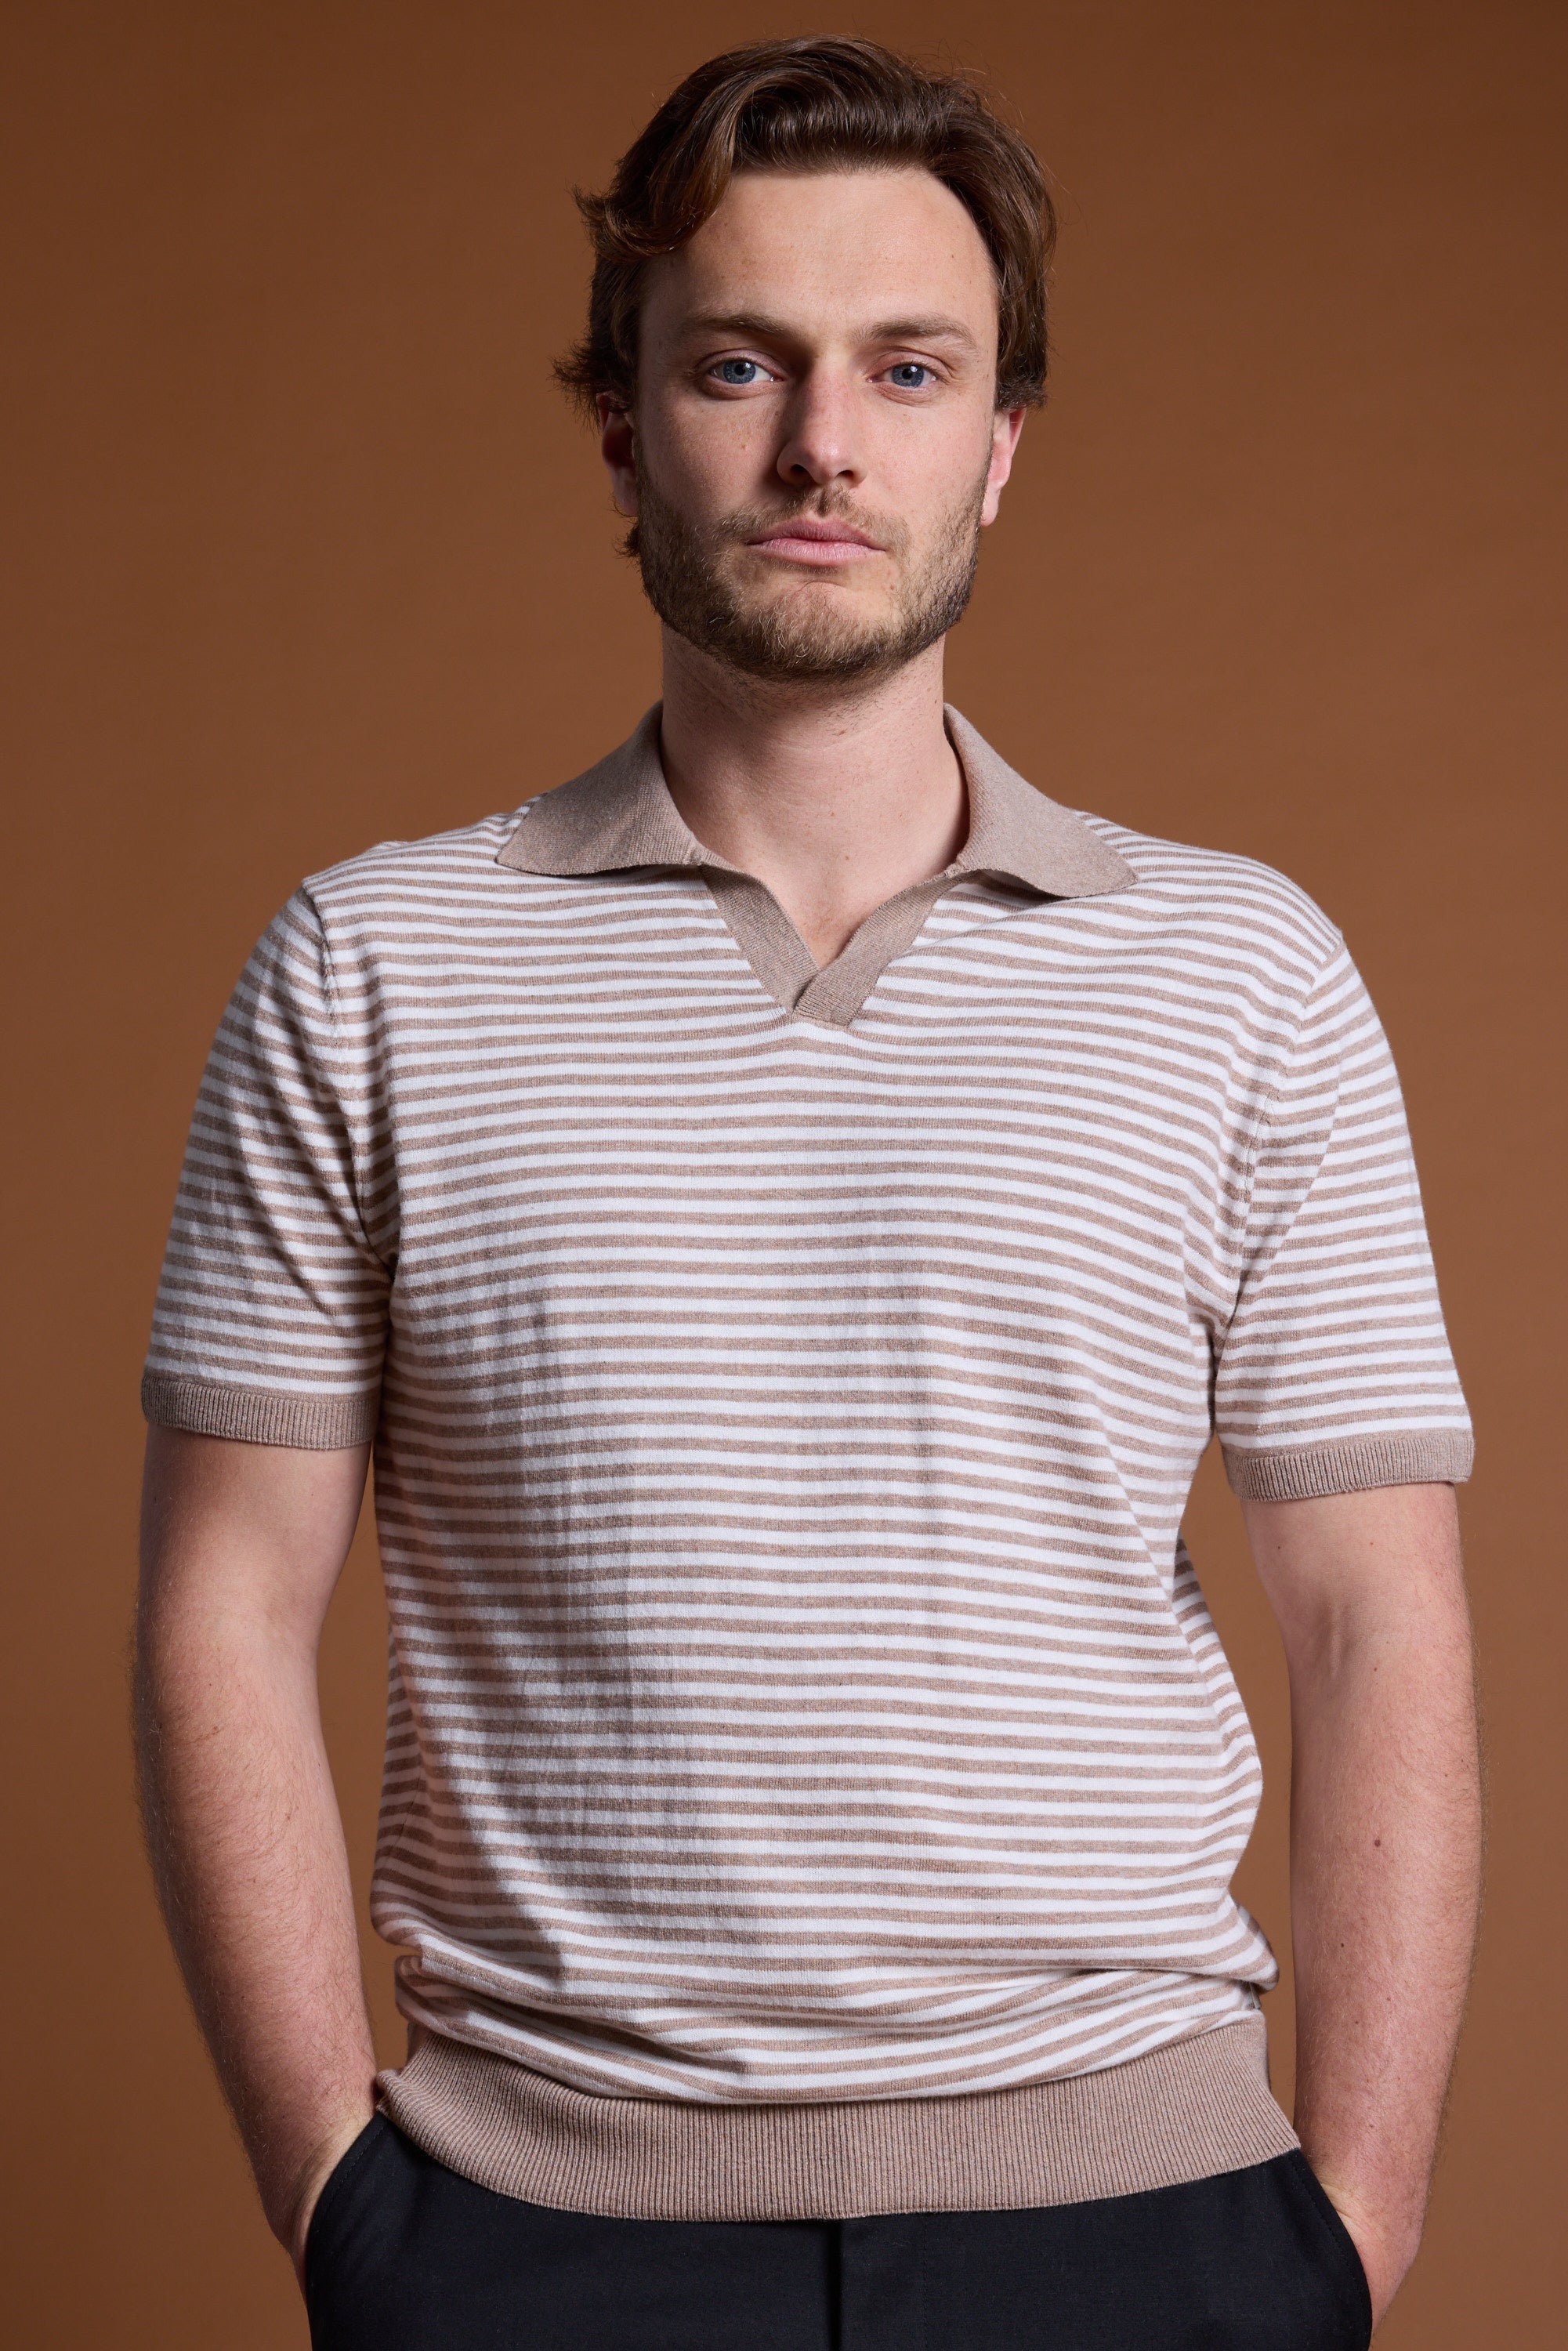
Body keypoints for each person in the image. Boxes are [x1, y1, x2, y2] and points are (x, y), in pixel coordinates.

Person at [135, 38, 1481, 2351]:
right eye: (739, 363)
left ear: (998, 446)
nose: (822, 445)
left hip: (1150, 2217)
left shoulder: (1237, 968)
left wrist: (1347, 2224)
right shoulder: (373, 962)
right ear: (625, 429)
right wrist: (339, 2201)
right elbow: (223, 1604)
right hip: (527, 2234)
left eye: (908, 368)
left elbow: (1377, 1618)